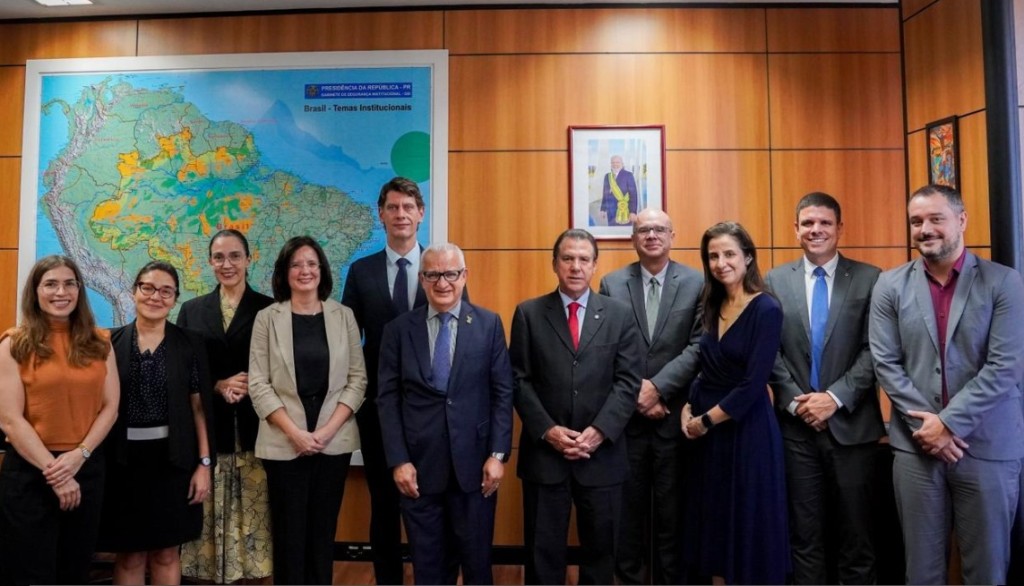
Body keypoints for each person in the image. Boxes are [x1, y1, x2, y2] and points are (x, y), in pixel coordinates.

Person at [869, 184, 1024, 585]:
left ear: (962, 220)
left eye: (936, 218)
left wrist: (948, 424)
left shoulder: (1004, 282)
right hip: (916, 450)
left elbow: (1005, 365)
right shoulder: (889, 285)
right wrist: (929, 430)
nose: (925, 229)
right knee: (922, 573)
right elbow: (886, 363)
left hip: (987, 447)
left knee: (986, 572)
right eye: (916, 221)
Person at [342, 177, 466, 584]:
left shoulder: (441, 269)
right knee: (384, 505)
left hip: (434, 413)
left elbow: (459, 336)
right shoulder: (361, 272)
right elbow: (348, 341)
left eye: (408, 207)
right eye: (393, 207)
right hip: (381, 409)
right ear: (381, 214)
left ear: (421, 214)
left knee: (435, 503)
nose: (401, 214)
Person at [377, 242, 514, 585]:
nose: (442, 283)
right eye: (433, 275)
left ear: (464, 276)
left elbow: (502, 393)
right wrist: (399, 460)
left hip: (475, 469)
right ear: (422, 279)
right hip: (418, 470)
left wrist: (498, 454)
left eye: (451, 274)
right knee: (429, 570)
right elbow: (387, 400)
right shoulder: (398, 330)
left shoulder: (488, 324)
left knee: (477, 566)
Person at [765, 192, 884, 584]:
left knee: (857, 539)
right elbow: (769, 351)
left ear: (839, 228)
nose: (815, 230)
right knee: (804, 538)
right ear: (795, 229)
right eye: (808, 223)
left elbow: (876, 350)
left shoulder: (870, 278)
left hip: (853, 430)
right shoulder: (774, 280)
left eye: (824, 223)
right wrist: (799, 403)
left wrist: (833, 399)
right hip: (796, 432)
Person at [511, 228, 642, 585]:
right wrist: (548, 431)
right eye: (567, 258)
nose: (575, 266)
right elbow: (518, 380)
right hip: (545, 456)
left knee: (601, 555)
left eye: (584, 259)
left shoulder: (619, 315)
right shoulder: (529, 314)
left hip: (601, 456)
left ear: (595, 265)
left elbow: (628, 382)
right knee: (542, 555)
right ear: (554, 263)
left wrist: (599, 432)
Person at [249, 235, 366, 585]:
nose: (305, 271)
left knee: (322, 533)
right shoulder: (267, 318)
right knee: (289, 535)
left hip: (333, 439)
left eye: (312, 263)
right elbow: (258, 383)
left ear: (322, 270)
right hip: (284, 440)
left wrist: (326, 432)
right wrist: (295, 433)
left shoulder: (343, 316)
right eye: (296, 264)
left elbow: (357, 380)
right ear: (284, 272)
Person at [680, 221, 789, 585]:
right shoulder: (711, 303)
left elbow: (753, 384)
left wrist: (705, 420)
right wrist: (688, 408)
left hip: (746, 431)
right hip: (708, 437)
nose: (721, 263)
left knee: (747, 527)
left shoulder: (767, 309)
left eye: (729, 254)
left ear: (748, 257)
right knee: (713, 526)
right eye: (713, 256)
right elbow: (705, 366)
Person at [0, 255, 119, 586]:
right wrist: (57, 474)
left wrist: (79, 455)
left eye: (69, 284)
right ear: (35, 291)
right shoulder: (13, 343)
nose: (61, 292)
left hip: (85, 469)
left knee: (74, 571)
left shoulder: (100, 342)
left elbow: (110, 408)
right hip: (29, 474)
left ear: (79, 290)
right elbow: (10, 420)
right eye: (50, 284)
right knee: (29, 573)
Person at [598, 208, 703, 584]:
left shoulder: (697, 282)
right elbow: (605, 350)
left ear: (673, 236)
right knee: (627, 519)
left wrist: (657, 388)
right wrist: (636, 396)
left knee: (674, 516)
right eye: (643, 230)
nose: (652, 235)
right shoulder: (612, 284)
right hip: (627, 425)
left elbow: (699, 346)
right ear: (633, 239)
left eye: (659, 229)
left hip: (676, 420)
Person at [101, 261, 214, 584]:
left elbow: (199, 408)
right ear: (134, 291)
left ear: (175, 299)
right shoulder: (108, 342)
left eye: (166, 291)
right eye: (148, 288)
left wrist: (204, 464)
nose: (155, 296)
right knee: (130, 553)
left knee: (166, 552)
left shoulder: (190, 343)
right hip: (122, 463)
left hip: (174, 461)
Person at [178, 229, 275, 583]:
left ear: (249, 259)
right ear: (209, 262)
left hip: (257, 430)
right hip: (211, 429)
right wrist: (218, 385)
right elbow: (184, 370)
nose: (227, 264)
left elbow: (282, 367)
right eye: (219, 257)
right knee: (209, 517)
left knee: (255, 516)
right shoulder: (192, 310)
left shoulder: (270, 308)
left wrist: (249, 384)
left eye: (235, 256)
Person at [600, 155, 639, 227]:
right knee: (612, 230)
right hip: (610, 212)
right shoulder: (607, 176)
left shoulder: (628, 175)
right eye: (613, 162)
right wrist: (603, 209)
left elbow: (633, 195)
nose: (615, 164)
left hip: (625, 211)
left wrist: (633, 212)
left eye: (617, 162)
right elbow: (605, 194)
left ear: (622, 164)